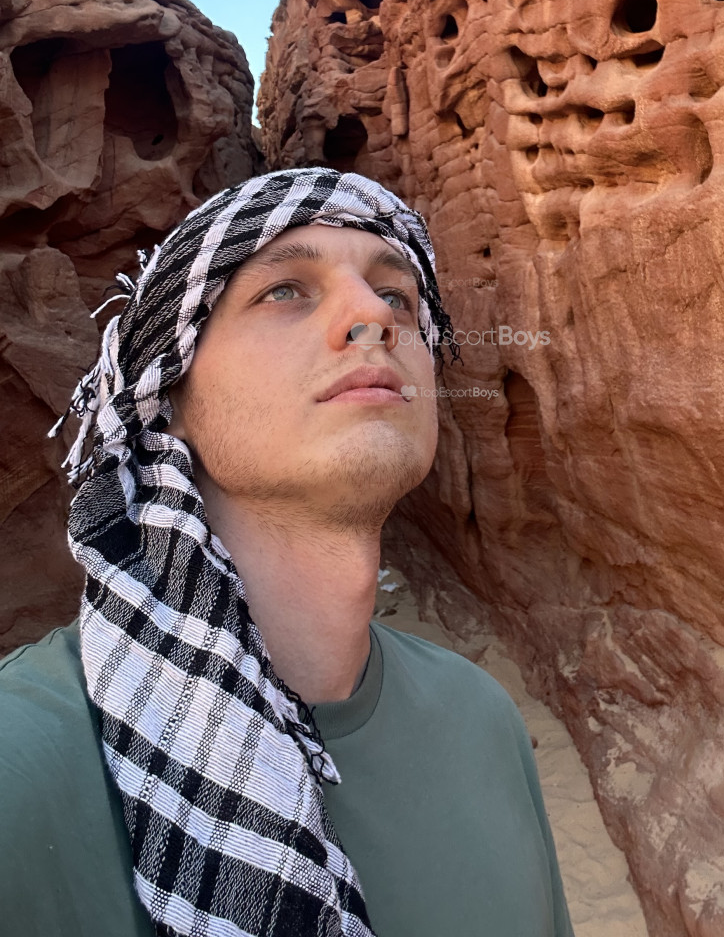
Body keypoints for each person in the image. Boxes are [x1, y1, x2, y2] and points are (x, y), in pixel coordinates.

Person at [0, 168, 575, 937]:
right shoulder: (22, 769)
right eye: (284, 291)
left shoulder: (484, 721)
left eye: (398, 296)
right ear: (166, 392)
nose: (373, 315)